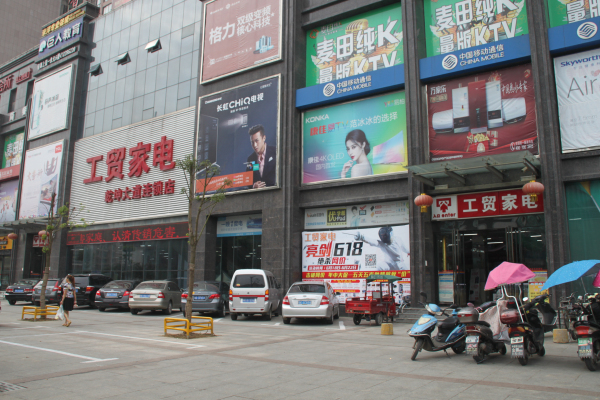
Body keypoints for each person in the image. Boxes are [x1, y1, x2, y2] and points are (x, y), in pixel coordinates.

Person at [246, 124, 276, 188]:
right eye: (252, 142)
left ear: (264, 138)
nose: (255, 145)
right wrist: (253, 186)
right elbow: (248, 181)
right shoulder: (250, 159)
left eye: (257, 141)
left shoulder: (275, 152)